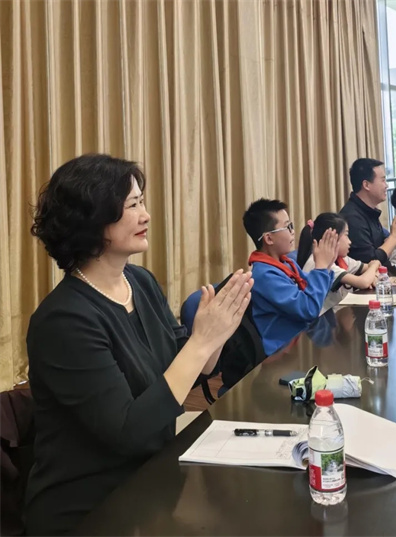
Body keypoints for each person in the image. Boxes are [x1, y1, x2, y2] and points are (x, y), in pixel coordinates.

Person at [25, 154, 253, 535]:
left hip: (152, 482)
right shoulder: (63, 321)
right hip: (91, 509)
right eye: (132, 205)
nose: (145, 215)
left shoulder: (140, 282)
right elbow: (128, 430)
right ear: (93, 219)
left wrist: (214, 336)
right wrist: (200, 342)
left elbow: (186, 368)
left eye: (141, 202)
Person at [243, 198, 337, 355]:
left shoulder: (286, 263)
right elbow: (309, 309)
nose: (293, 231)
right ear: (269, 238)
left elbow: (314, 294)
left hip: (301, 339)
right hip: (281, 353)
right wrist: (320, 267)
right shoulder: (264, 276)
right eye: (287, 227)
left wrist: (326, 266)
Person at [339, 158, 396, 266]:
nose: (386, 185)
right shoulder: (352, 218)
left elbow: (384, 244)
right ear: (366, 185)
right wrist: (395, 237)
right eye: (382, 180)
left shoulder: (369, 211)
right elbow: (371, 261)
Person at [298, 213, 381, 313]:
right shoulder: (319, 262)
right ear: (332, 236)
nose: (350, 241)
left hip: (338, 315)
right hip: (322, 320)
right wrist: (374, 265)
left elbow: (369, 269)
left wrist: (374, 275)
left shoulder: (341, 258)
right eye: (346, 235)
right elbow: (363, 282)